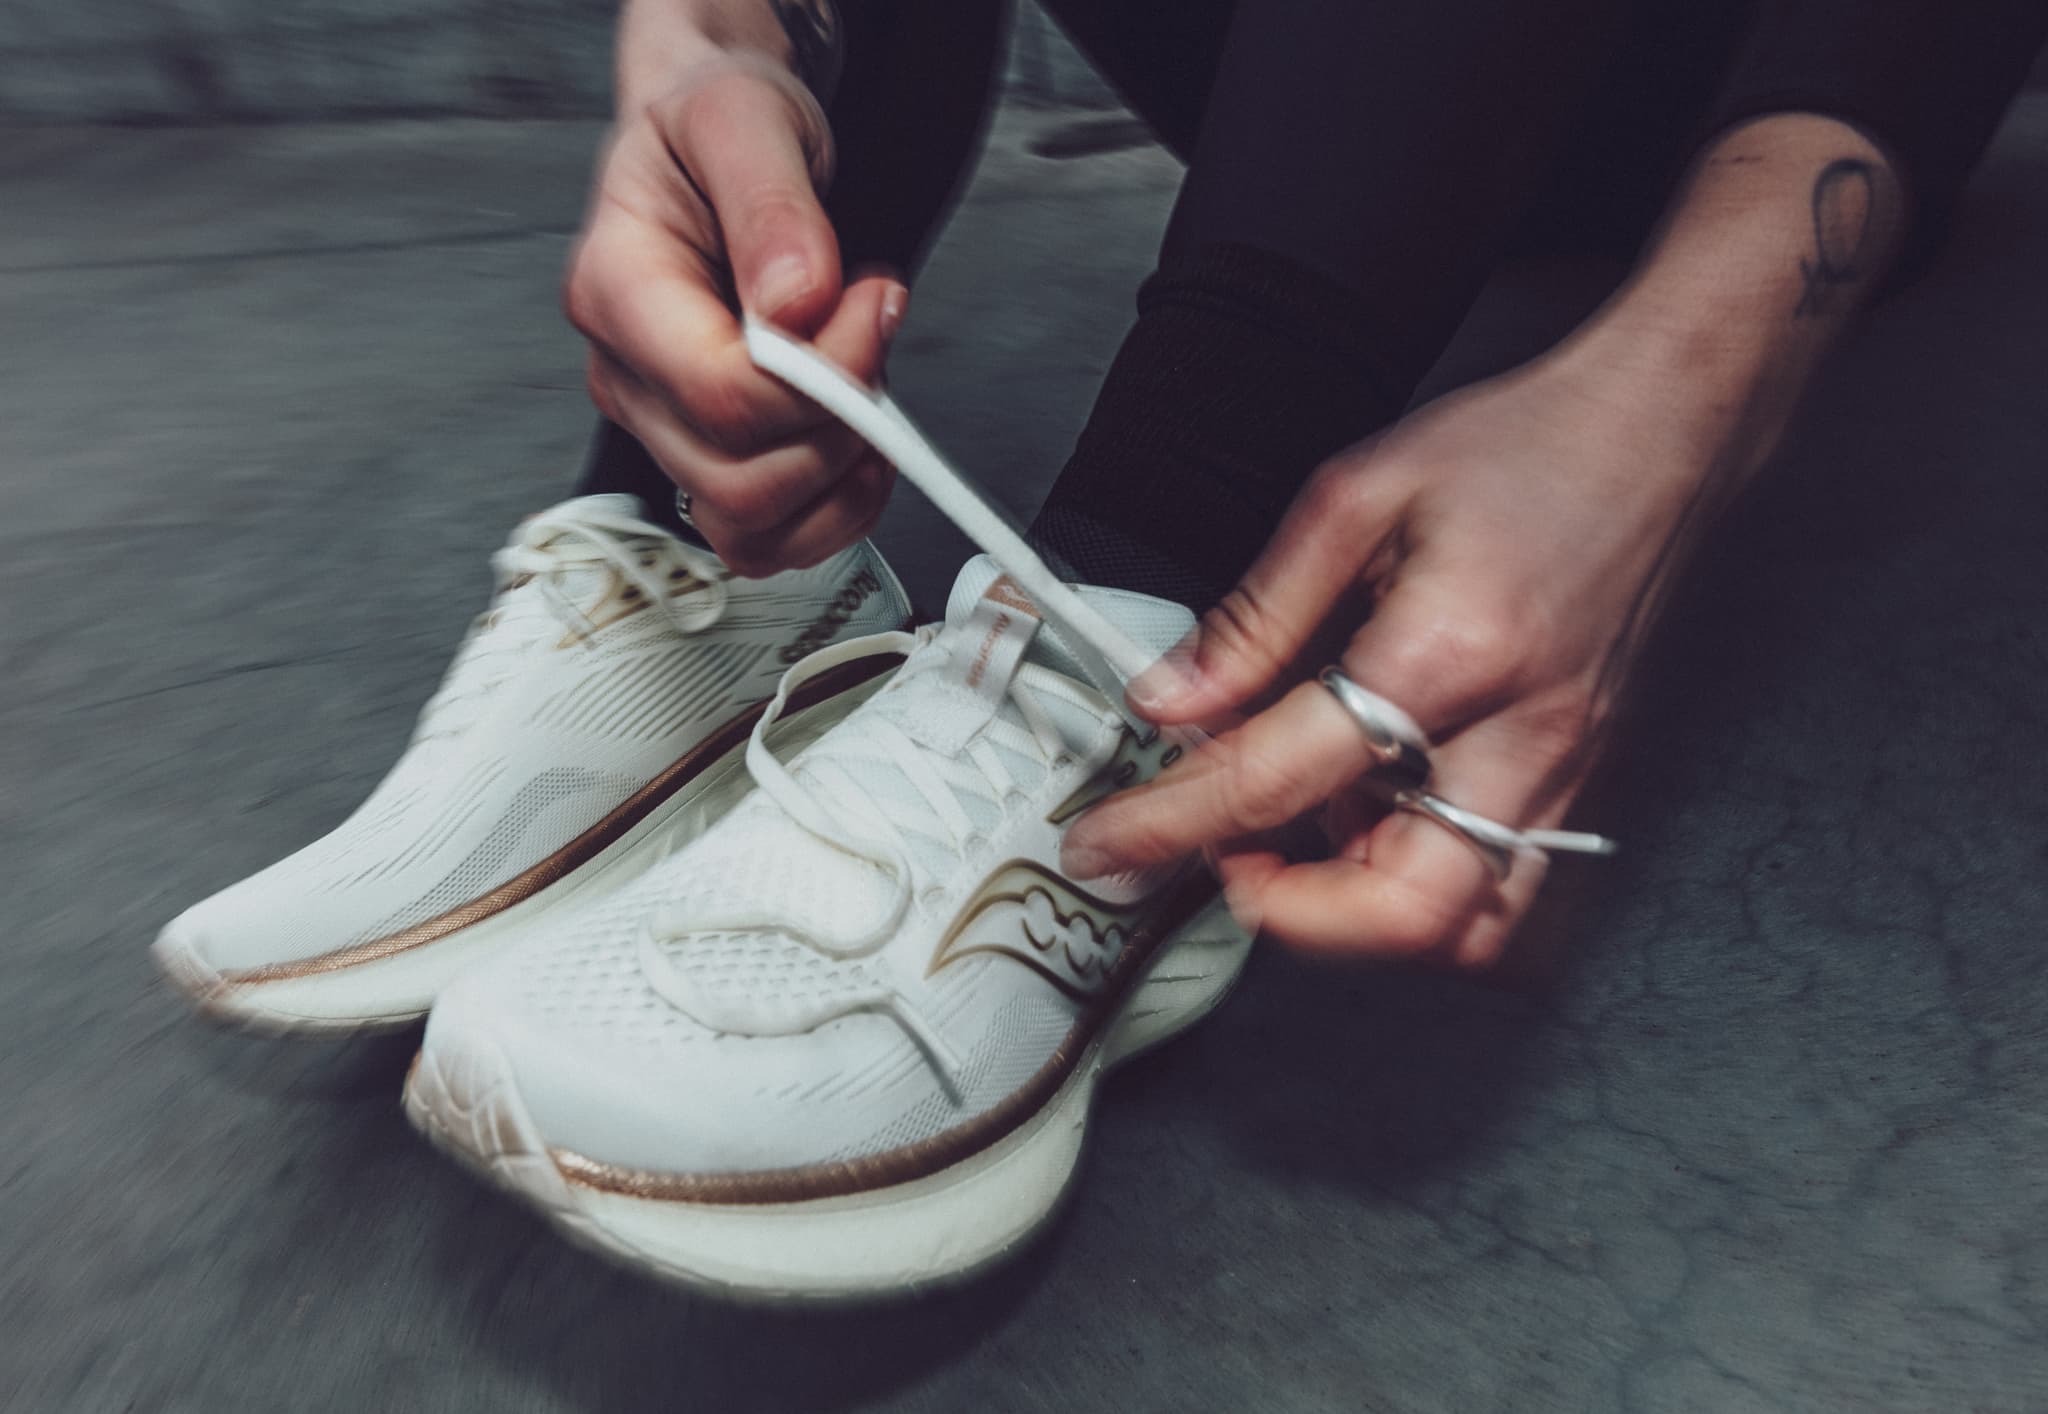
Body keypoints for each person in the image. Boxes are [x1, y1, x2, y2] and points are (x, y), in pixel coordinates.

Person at [156, 0, 2046, 1296]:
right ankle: (690, 562)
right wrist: (710, 44)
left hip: (1761, 93)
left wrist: (1684, 396)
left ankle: (1140, 607)